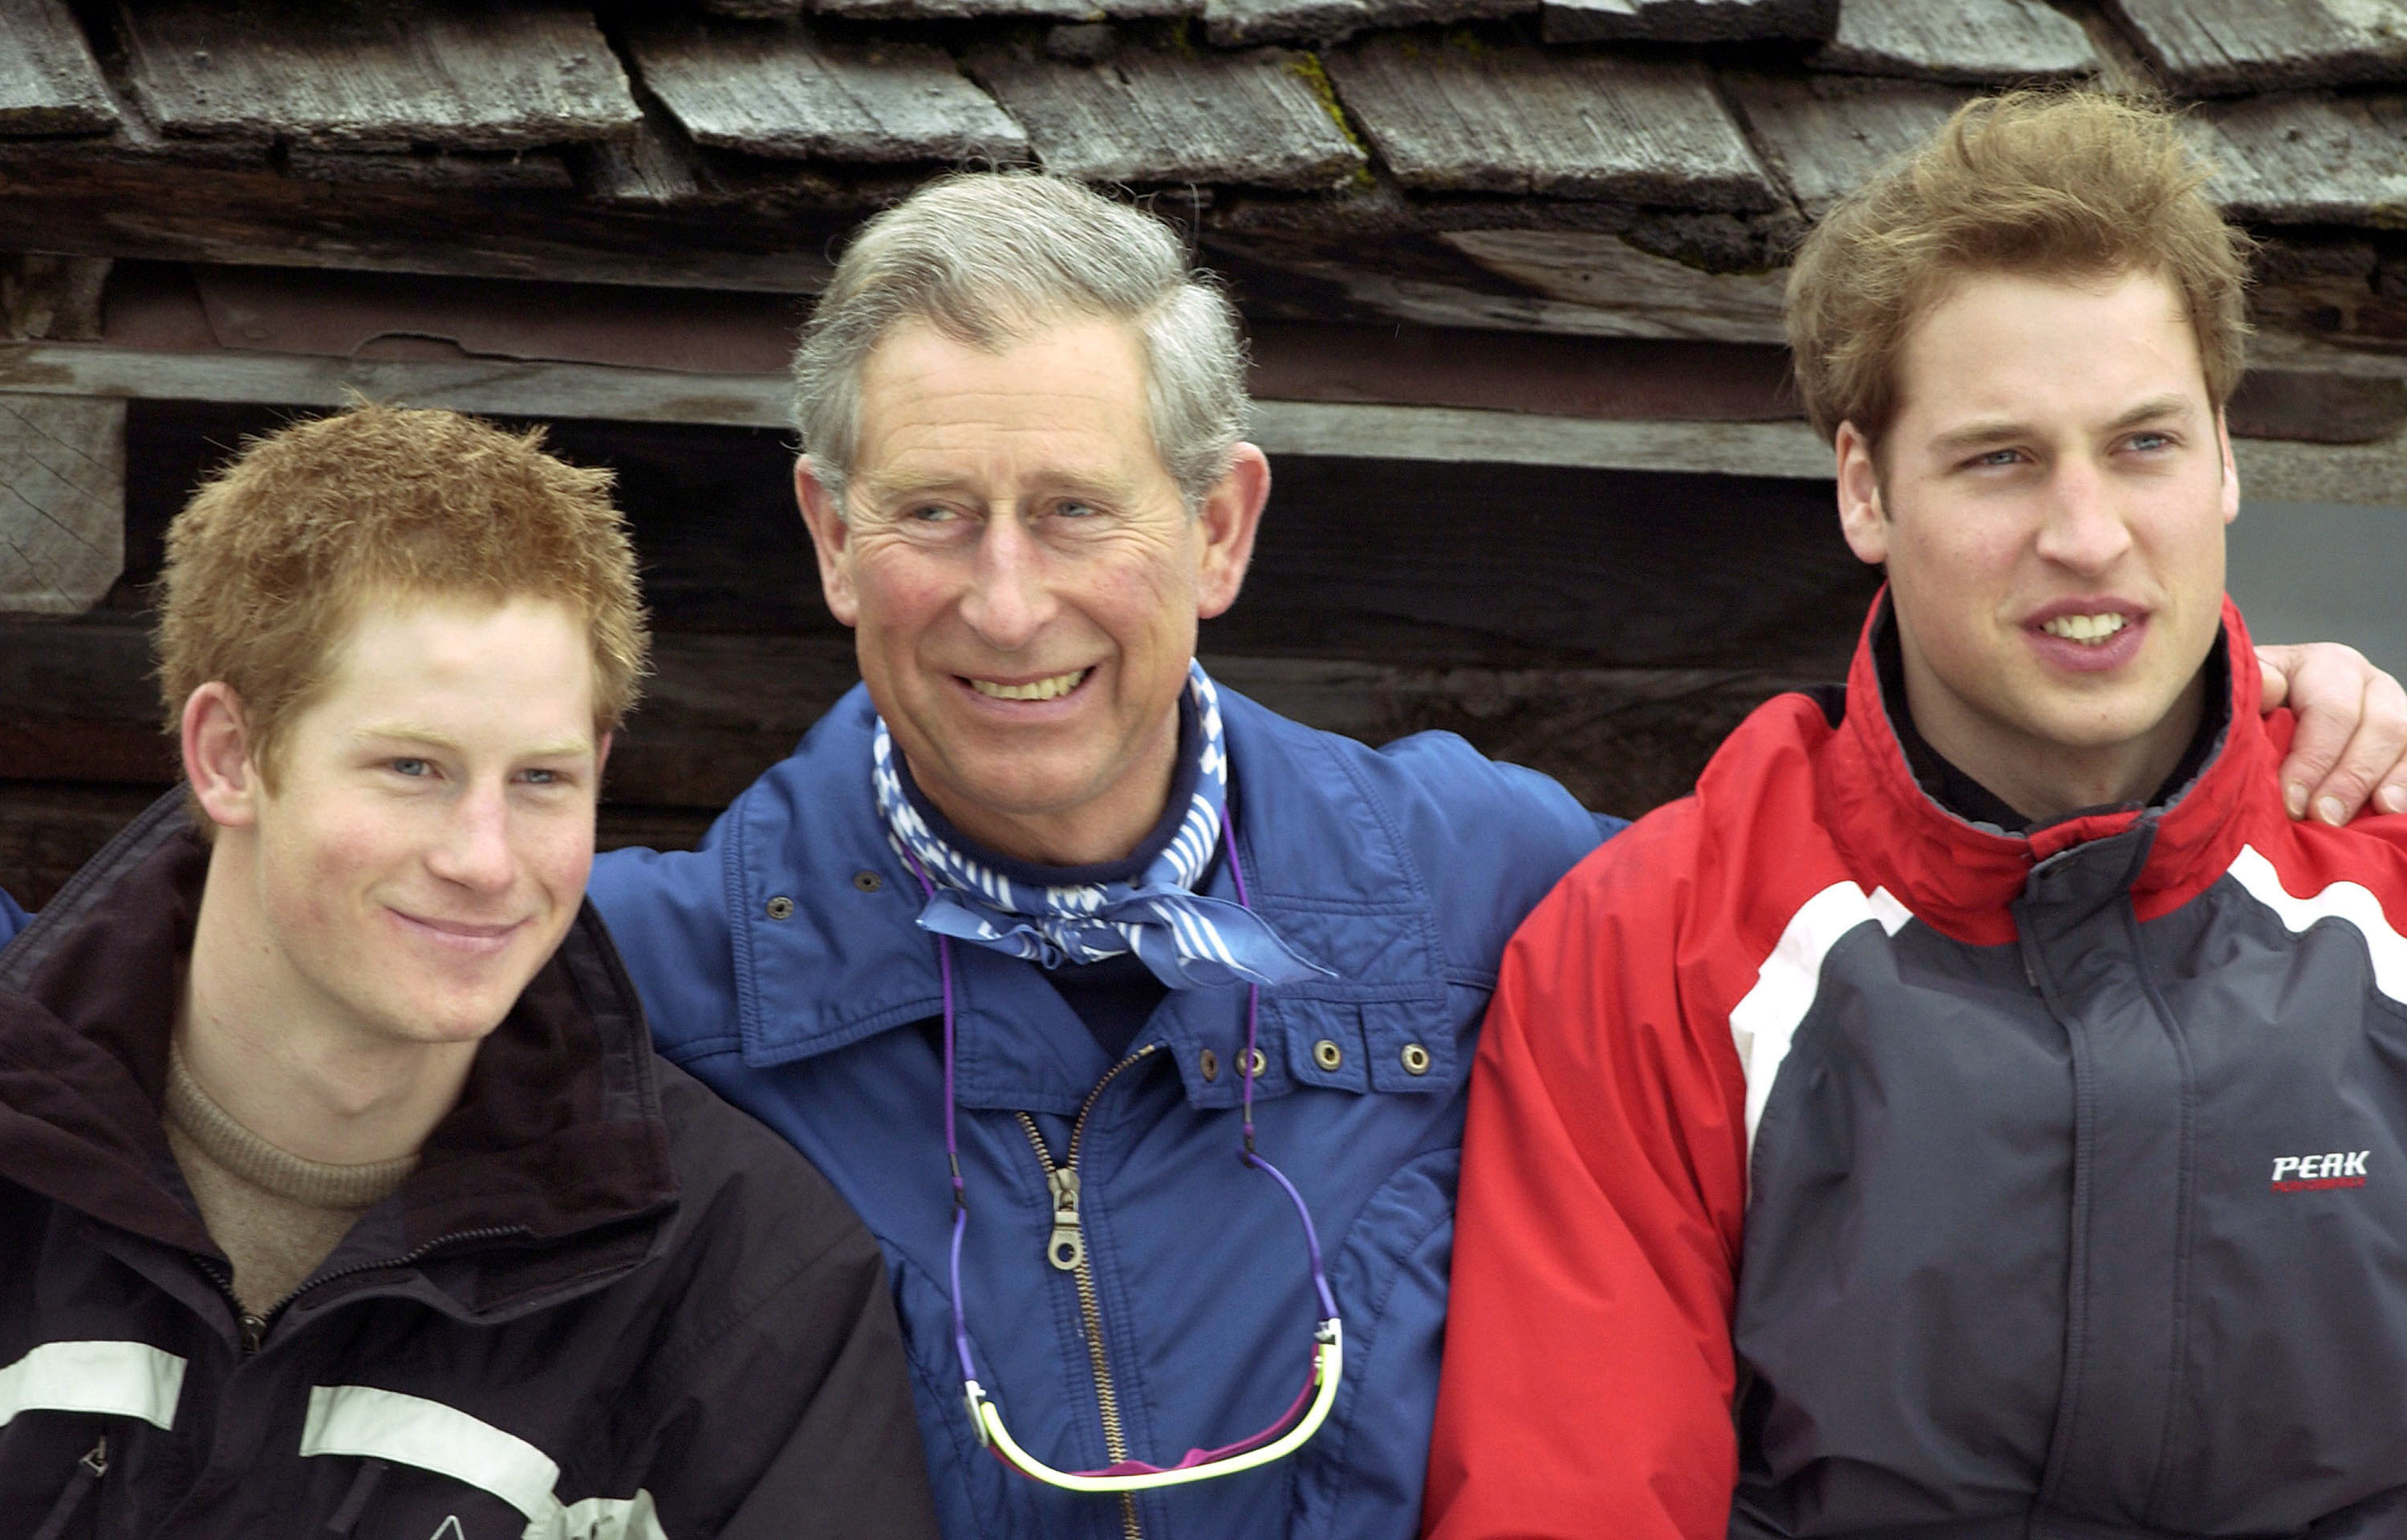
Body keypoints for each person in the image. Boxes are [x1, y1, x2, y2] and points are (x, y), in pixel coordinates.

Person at [583, 171, 2407, 1540]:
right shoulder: (642, 989)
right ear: (826, 538)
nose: (1007, 595)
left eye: (1078, 508)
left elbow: (1927, 882)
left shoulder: (1479, 881)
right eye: (930, 514)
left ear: (1220, 528)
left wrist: (2260, 735)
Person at [1424, 91, 2407, 1539]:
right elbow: (1572, 1500)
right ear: (1865, 489)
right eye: (1999, 458)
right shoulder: (1654, 951)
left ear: (2229, 459)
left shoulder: (2382, 879)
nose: (2087, 535)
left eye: (2143, 444)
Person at [0, 405, 940, 1539]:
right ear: (229, 756)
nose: (485, 861)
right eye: (413, 767)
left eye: (540, 781)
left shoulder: (742, 1281)